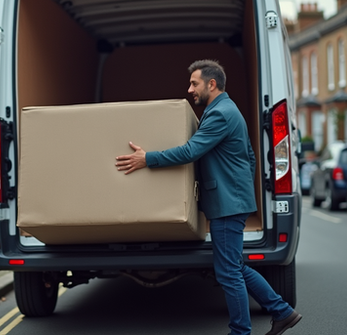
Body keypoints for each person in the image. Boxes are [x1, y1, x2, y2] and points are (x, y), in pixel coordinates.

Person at [115, 59, 301, 335]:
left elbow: (190, 151)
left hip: (227, 205)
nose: (189, 89)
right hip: (231, 201)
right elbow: (249, 157)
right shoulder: (227, 109)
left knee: (228, 272)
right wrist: (237, 187)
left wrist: (147, 159)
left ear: (211, 84)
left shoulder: (219, 114)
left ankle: (241, 331)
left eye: (194, 83)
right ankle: (282, 312)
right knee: (234, 266)